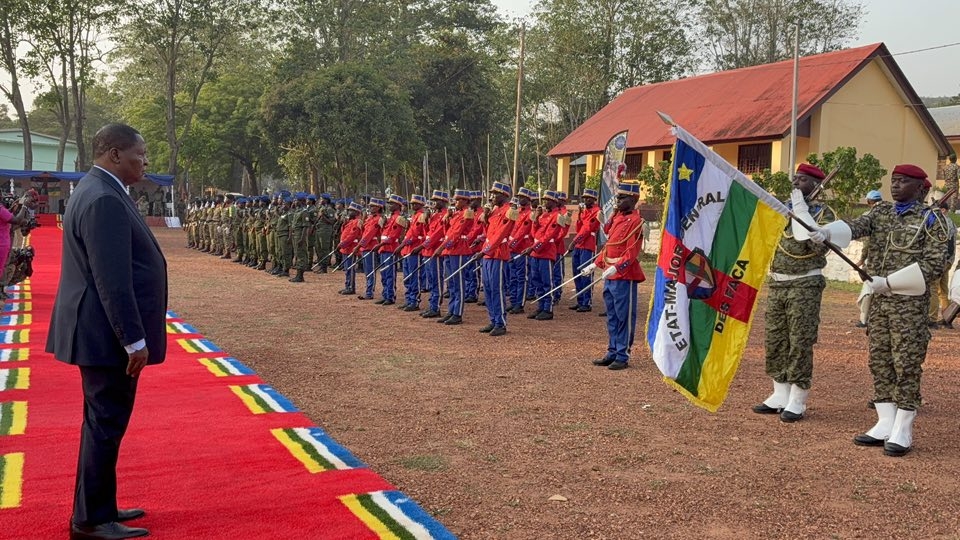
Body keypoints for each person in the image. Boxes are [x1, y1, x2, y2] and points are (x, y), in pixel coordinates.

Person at [46, 123, 167, 539]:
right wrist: (133, 339)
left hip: (98, 330)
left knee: (102, 422)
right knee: (105, 423)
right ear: (114, 154)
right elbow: (111, 279)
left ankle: (98, 505)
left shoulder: (101, 189)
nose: (146, 161)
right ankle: (91, 520)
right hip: (105, 335)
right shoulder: (103, 198)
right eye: (140, 153)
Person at [811, 164, 949, 457]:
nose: (895, 185)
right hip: (880, 302)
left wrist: (890, 282)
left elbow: (935, 263)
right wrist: (827, 232)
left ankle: (904, 427)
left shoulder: (932, 220)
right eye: (893, 180)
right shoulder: (881, 212)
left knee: (907, 362)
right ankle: (885, 421)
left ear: (921, 187)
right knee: (880, 359)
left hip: (908, 304)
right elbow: (856, 226)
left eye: (903, 181)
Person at [752, 164, 835, 422]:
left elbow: (821, 247)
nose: (796, 183)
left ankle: (798, 399)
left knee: (800, 339)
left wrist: (802, 211)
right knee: (776, 338)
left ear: (816, 185)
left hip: (804, 284)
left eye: (803, 180)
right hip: (778, 283)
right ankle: (779, 392)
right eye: (795, 179)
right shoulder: (782, 210)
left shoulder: (824, 213)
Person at [584, 181, 645, 370]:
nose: (617, 200)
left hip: (624, 275)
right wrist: (597, 263)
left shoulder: (636, 221)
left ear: (633, 199)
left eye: (622, 197)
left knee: (623, 316)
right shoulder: (618, 218)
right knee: (611, 316)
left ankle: (622, 354)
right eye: (618, 197)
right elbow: (610, 245)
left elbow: (631, 251)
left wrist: (618, 268)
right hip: (610, 273)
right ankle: (612, 351)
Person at [478, 182, 516, 336]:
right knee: (487, 288)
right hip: (487, 254)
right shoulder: (494, 211)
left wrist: (484, 250)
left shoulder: (509, 211)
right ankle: (493, 319)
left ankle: (500, 323)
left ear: (504, 196)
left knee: (496, 289)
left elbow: (500, 235)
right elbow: (489, 233)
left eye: (495, 194)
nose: (492, 196)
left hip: (498, 254)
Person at [854, 190, 884, 327]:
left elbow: (867, 242)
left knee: (868, 289)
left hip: (874, 260)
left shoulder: (869, 216)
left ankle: (863, 319)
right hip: (889, 260)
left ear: (868, 202)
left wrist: (861, 260)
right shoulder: (893, 214)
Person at [569, 189, 600, 312]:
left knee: (586, 273)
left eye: (588, 198)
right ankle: (580, 299)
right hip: (579, 245)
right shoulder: (584, 211)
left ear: (594, 199)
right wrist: (579, 217)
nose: (586, 200)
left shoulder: (597, 212)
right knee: (576, 273)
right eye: (584, 198)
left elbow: (587, 229)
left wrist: (574, 241)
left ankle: (587, 302)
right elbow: (579, 227)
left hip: (587, 245)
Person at [928, 200, 956, 328]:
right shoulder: (951, 223)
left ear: (943, 210)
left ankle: (932, 318)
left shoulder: (942, 222)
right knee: (943, 290)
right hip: (949, 260)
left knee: (933, 288)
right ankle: (947, 319)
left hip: (941, 260)